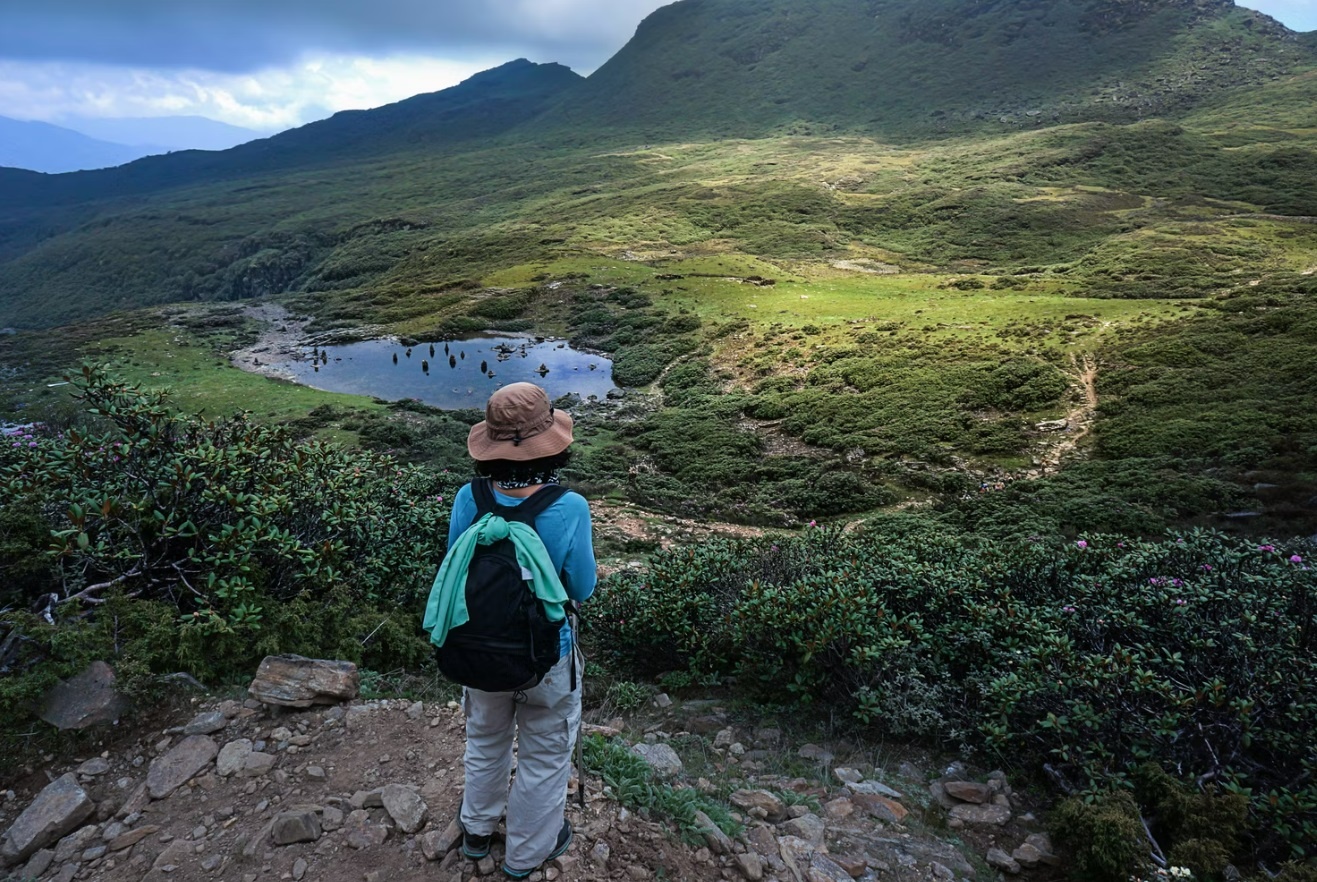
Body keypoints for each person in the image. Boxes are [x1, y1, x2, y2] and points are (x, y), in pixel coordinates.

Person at [438, 382, 597, 879]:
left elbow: (453, 566)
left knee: (485, 741)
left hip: (479, 648)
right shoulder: (569, 507)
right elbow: (583, 587)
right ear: (551, 442)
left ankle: (477, 834)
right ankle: (527, 855)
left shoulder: (470, 497)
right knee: (545, 753)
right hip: (548, 656)